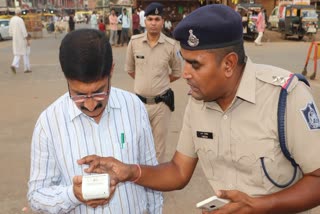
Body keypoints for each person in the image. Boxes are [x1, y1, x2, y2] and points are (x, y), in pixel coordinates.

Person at [79, 5, 320, 214]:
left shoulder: (285, 97)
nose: (185, 73)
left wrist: (260, 206)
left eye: (195, 64)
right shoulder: (198, 102)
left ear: (229, 64)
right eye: (184, 60)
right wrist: (130, 171)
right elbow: (178, 171)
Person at [27, 29, 163, 214]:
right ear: (67, 78)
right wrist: (71, 195)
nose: (90, 105)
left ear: (112, 71)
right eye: (79, 95)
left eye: (99, 92)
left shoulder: (133, 107)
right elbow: (36, 196)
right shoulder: (49, 124)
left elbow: (152, 174)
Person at [125, 2, 182, 163]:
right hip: (139, 104)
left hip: (161, 105)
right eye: (150, 19)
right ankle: (139, 179)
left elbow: (177, 72)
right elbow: (130, 69)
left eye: (157, 19)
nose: (153, 23)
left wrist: (160, 81)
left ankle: (156, 185)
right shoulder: (134, 43)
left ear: (162, 21)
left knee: (159, 147)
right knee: (138, 143)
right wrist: (144, 80)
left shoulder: (171, 46)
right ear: (145, 21)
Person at [8, 7, 28, 74]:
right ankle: (26, 68)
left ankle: (14, 65)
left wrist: (12, 35)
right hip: (21, 39)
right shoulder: (20, 20)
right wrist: (26, 36)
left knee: (17, 54)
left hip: (15, 39)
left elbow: (10, 31)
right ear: (19, 13)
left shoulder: (12, 19)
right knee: (24, 53)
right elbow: (23, 30)